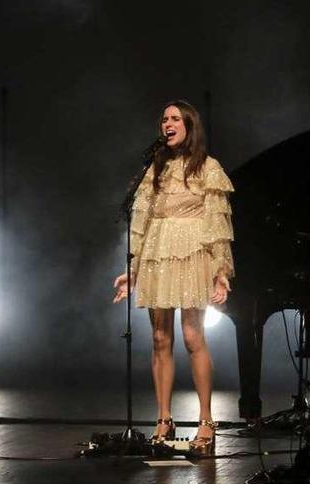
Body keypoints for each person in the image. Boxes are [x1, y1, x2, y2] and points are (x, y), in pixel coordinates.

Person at [113, 100, 234, 454]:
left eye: (175, 118)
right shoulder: (155, 167)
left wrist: (221, 272)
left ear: (189, 125)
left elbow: (218, 225)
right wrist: (131, 271)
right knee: (159, 337)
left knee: (193, 336)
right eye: (164, 118)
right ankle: (164, 418)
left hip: (192, 253)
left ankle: (206, 420)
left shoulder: (208, 167)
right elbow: (140, 222)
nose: (167, 123)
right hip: (157, 253)